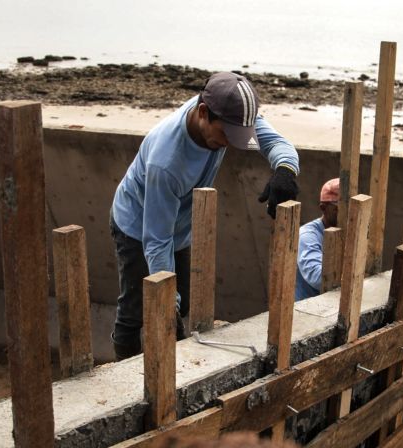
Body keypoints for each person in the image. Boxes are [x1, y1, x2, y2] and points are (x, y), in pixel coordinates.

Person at [110, 72, 300, 359]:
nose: (229, 143)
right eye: (225, 135)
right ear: (202, 113)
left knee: (182, 300)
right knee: (136, 311)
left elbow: (277, 144)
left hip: (180, 222)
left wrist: (285, 170)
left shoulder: (229, 112)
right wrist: (165, 299)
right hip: (137, 227)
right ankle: (125, 378)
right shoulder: (166, 161)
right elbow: (157, 240)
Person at [295, 178, 340, 301]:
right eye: (337, 209)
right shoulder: (307, 236)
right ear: (323, 208)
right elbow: (317, 277)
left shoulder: (348, 231)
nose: (344, 214)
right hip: (309, 311)